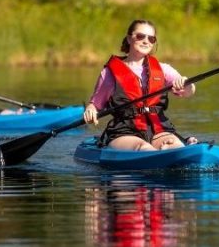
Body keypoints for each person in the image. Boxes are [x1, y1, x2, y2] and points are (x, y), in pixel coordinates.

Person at [83, 19, 197, 151]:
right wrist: (90, 110)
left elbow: (189, 91)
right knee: (144, 148)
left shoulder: (163, 69)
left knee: (176, 147)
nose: (146, 41)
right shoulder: (109, 73)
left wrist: (186, 83)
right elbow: (96, 105)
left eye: (151, 38)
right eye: (140, 36)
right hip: (124, 130)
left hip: (158, 127)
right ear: (129, 39)